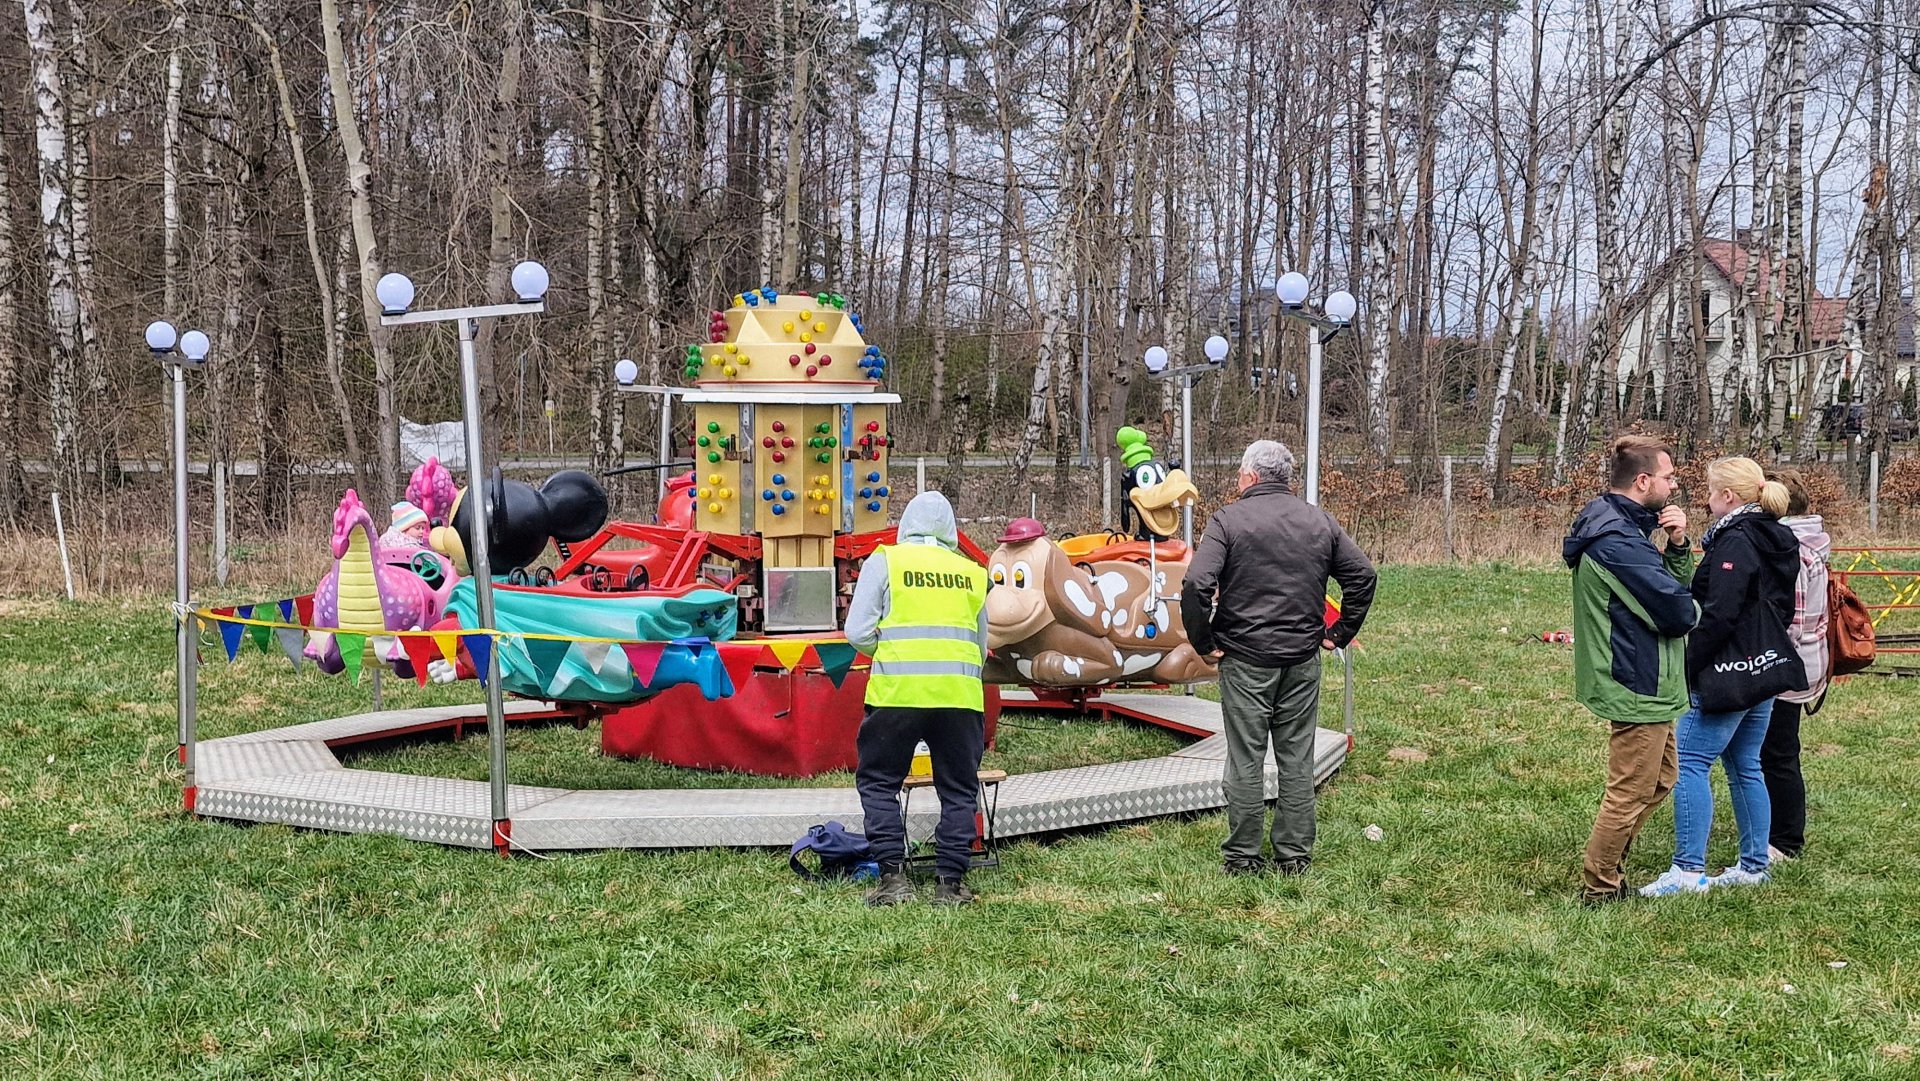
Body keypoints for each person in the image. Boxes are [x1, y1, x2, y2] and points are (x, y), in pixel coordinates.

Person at [1180, 440, 1376, 878]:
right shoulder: (1319, 520)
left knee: (1245, 759)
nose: (1237, 481)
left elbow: (1195, 583)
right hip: (1302, 658)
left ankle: (1243, 857)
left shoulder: (1228, 520)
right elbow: (1362, 575)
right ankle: (1294, 856)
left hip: (1245, 659)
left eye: (1239, 474)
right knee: (1297, 758)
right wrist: (1339, 634)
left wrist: (1203, 640)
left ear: (1251, 476)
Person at [1641, 457, 1805, 896]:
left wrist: (1691, 665)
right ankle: (1754, 865)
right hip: (1764, 669)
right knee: (1746, 764)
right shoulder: (1778, 535)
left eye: (1711, 492)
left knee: (1690, 762)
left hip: (1728, 672)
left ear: (1728, 496)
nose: (1707, 499)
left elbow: (1720, 613)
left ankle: (1687, 871)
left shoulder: (1735, 540)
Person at [1564, 434, 1699, 904]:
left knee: (1659, 781)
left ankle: (1610, 868)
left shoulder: (1624, 528)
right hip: (1636, 677)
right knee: (1630, 790)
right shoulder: (1618, 543)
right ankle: (1600, 887)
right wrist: (1694, 606)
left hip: (1647, 676)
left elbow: (1668, 590)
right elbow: (1679, 612)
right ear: (1643, 481)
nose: (1673, 485)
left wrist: (1677, 545)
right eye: (1668, 477)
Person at [844, 491, 990, 907]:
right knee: (959, 789)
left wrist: (890, 652)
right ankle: (950, 884)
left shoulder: (885, 561)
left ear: (906, 524)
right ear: (951, 530)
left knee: (879, 782)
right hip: (959, 697)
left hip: (897, 693)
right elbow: (980, 647)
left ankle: (893, 880)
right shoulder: (972, 572)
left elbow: (857, 631)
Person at [1762, 468, 1829, 863]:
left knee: (1778, 753)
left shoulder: (1794, 551)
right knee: (1778, 750)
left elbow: (1793, 624)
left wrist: (1764, 667)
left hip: (1788, 671)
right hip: (1805, 665)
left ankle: (1786, 840)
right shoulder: (1810, 540)